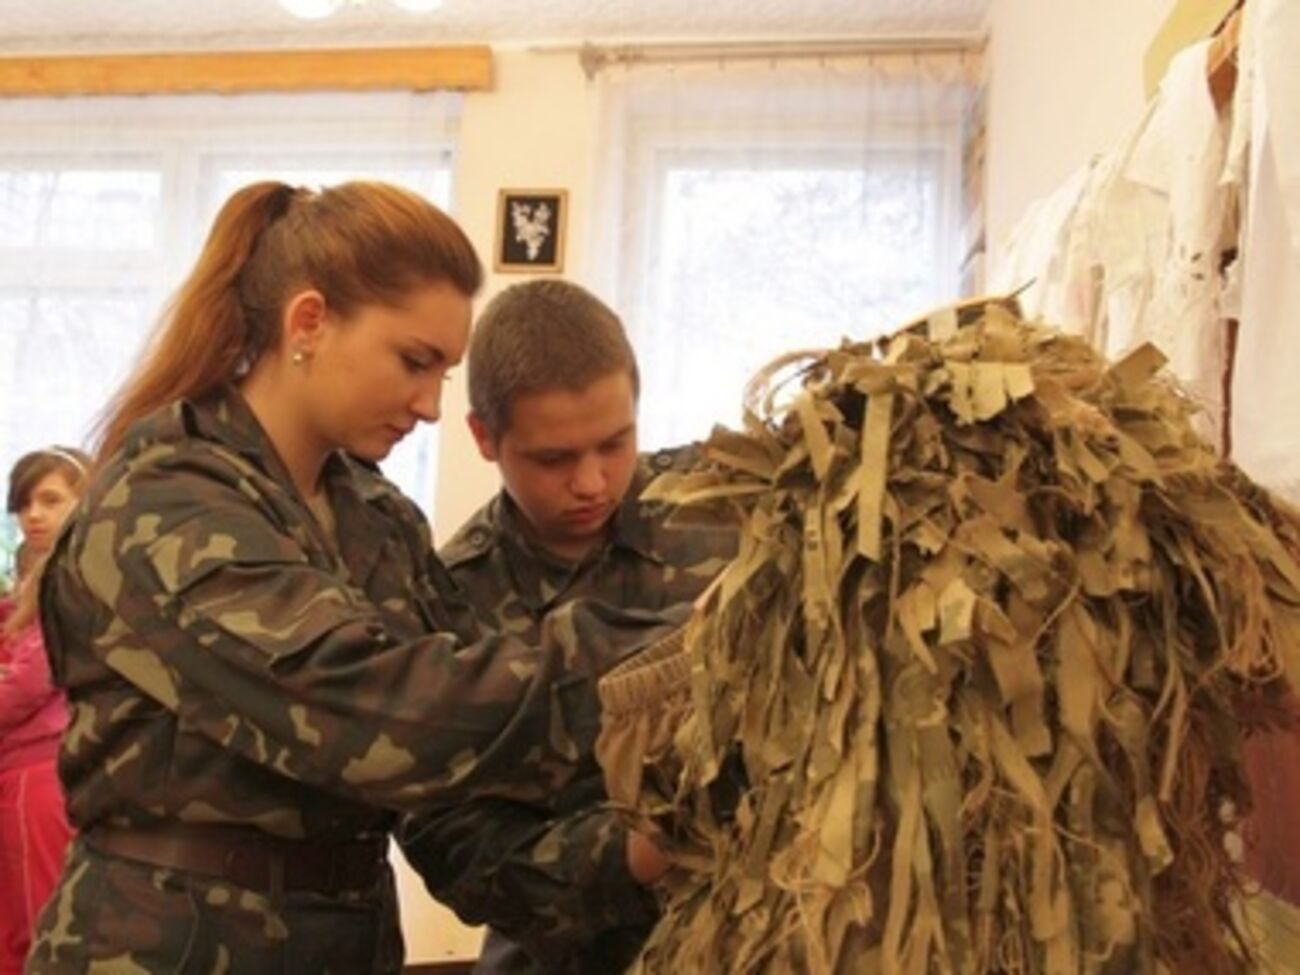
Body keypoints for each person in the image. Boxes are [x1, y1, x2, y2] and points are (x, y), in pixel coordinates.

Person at [24, 182, 678, 975]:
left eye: (443, 370)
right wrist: (675, 661)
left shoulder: (376, 516)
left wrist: (643, 836)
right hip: (172, 945)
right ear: (309, 322)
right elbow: (373, 710)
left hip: (348, 938)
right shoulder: (165, 501)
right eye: (414, 361)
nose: (432, 404)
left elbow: (477, 745)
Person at [400, 280, 737, 974]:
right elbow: (452, 844)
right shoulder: (449, 601)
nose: (592, 482)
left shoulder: (725, 507)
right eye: (554, 458)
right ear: (484, 438)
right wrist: (635, 851)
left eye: (616, 443)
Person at [0, 447, 88, 975]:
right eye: (24, 503)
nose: (33, 514)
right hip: (16, 774)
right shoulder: (31, 586)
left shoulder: (75, 582)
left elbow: (27, 683)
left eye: (51, 500)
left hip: (39, 777)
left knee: (43, 926)